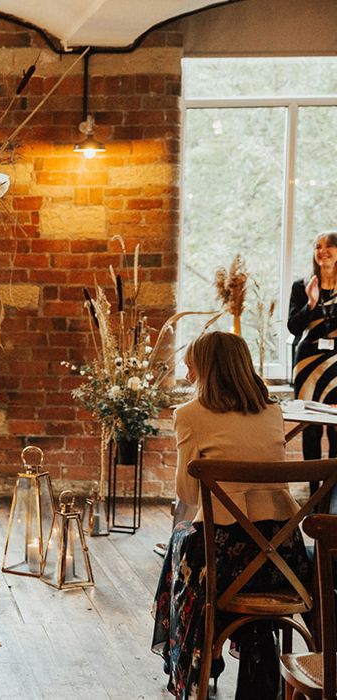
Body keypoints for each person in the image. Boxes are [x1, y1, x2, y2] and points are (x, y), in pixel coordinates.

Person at [151, 331, 310, 699]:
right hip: (283, 558)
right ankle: (251, 641)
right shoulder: (272, 412)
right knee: (190, 544)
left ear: (206, 368)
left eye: (192, 365)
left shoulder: (189, 415)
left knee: (180, 541)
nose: (189, 373)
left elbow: (187, 494)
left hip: (223, 562)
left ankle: (201, 657)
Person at [288, 232, 337, 469]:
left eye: (329, 246)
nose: (322, 251)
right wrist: (311, 304)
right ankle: (313, 495)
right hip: (308, 363)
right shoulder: (302, 286)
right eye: (318, 246)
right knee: (310, 429)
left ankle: (333, 497)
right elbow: (294, 327)